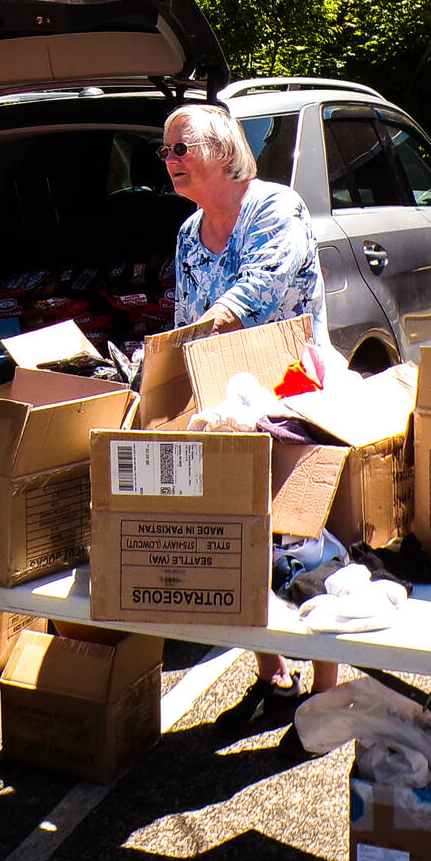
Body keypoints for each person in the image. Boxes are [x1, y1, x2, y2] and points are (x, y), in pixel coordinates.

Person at [161, 102, 339, 734]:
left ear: (223, 150)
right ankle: (273, 674)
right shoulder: (188, 234)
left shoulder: (276, 207)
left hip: (292, 393)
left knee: (302, 542)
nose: (171, 161)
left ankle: (324, 684)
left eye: (182, 148)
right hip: (226, 403)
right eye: (166, 152)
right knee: (233, 542)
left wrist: (191, 339)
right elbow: (186, 317)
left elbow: (255, 291)